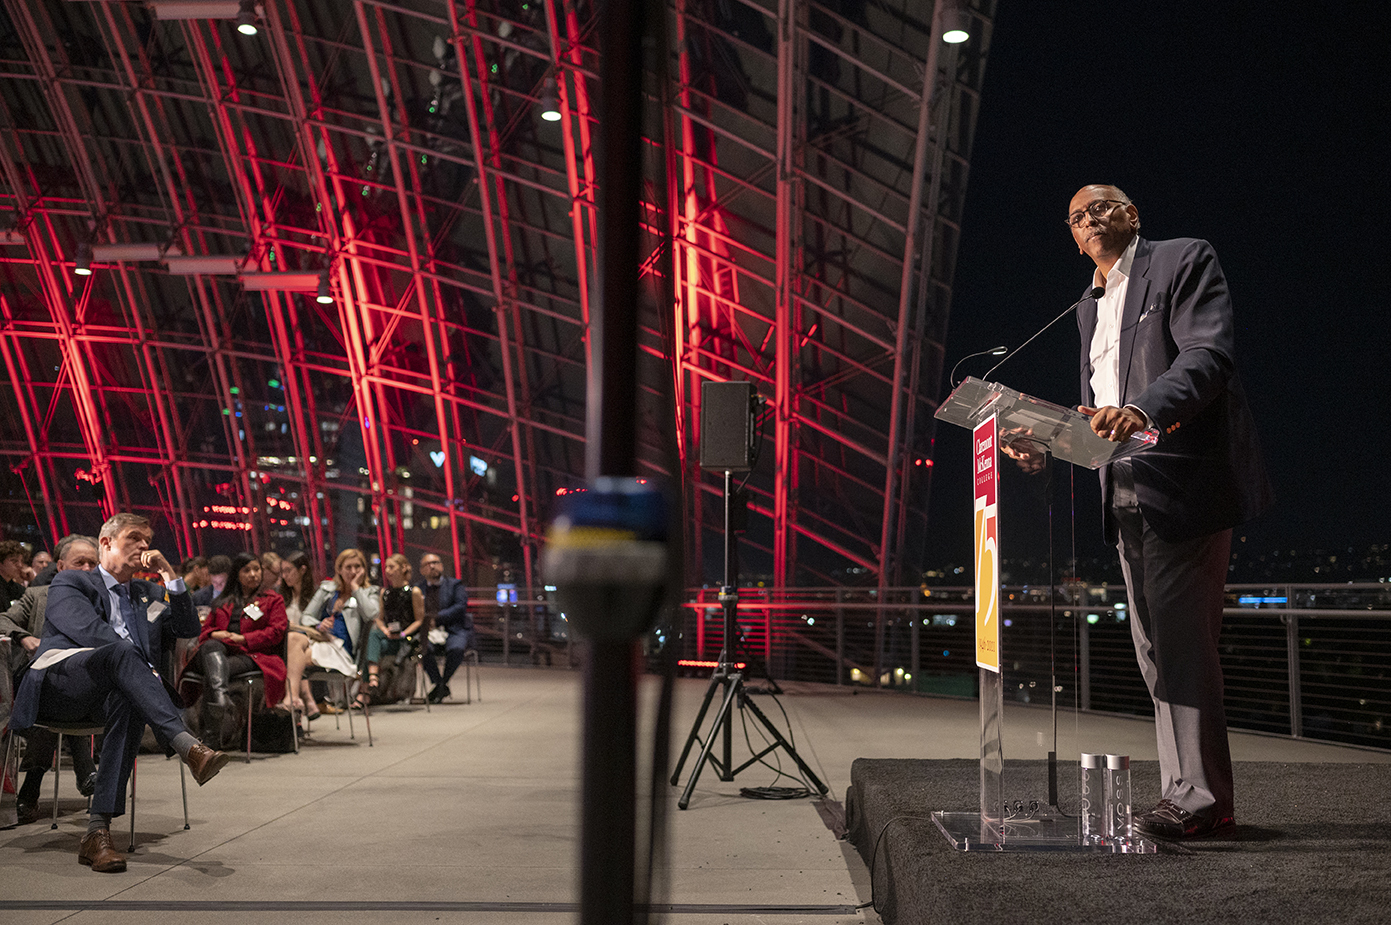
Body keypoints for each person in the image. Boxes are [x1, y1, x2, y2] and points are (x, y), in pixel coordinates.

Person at [1065, 184, 1272, 839]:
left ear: (1132, 215)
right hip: (1122, 486)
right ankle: (1181, 790)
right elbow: (1097, 405)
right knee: (1154, 650)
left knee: (1181, 645)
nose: (1090, 217)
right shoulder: (1084, 309)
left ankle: (1200, 797)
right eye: (1076, 215)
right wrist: (1044, 442)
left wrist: (1145, 410)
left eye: (1103, 205)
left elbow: (1207, 355)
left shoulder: (1181, 260)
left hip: (1183, 481)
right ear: (1072, 239)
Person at [9, 513, 230, 872]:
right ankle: (186, 744)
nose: (144, 546)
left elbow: (189, 628)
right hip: (63, 686)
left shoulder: (150, 594)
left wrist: (171, 577)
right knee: (122, 656)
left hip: (117, 693)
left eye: (147, 539)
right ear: (107, 542)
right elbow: (90, 634)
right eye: (134, 538)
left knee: (127, 695)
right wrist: (140, 670)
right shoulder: (71, 581)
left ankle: (97, 832)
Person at [0, 534, 100, 824]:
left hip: (84, 683)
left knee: (63, 693)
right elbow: (3, 619)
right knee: (51, 689)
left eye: (92, 564)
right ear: (60, 565)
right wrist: (25, 636)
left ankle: (31, 789)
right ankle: (85, 772)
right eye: (78, 562)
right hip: (36, 677)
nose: (86, 569)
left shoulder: (103, 599)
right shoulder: (37, 595)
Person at [177, 552, 288, 748]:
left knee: (215, 670)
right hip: (221, 651)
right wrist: (215, 634)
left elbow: (276, 632)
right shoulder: (223, 600)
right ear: (237, 574)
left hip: (254, 655)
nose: (253, 574)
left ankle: (212, 735)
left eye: (256, 569)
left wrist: (244, 638)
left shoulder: (273, 599)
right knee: (211, 647)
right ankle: (220, 703)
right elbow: (205, 630)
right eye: (247, 570)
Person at [285, 548, 379, 714]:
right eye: (348, 567)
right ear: (339, 569)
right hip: (321, 640)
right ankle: (300, 701)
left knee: (290, 660)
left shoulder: (369, 592)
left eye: (357, 567)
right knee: (292, 639)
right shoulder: (327, 589)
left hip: (343, 651)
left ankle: (298, 701)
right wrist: (319, 625)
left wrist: (355, 587)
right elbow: (306, 617)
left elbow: (371, 614)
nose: (353, 571)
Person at [364, 554, 425, 698]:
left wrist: (403, 634)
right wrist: (385, 630)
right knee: (371, 640)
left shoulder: (414, 592)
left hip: (407, 639)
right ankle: (371, 682)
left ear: (403, 568)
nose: (387, 570)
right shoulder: (385, 593)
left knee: (372, 641)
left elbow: (419, 620)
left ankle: (367, 688)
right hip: (390, 636)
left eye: (391, 567)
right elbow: (379, 619)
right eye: (386, 567)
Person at [416, 553, 472, 704]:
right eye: (428, 564)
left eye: (435, 562)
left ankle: (442, 684)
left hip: (454, 629)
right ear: (421, 570)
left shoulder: (455, 585)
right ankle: (439, 684)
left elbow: (460, 606)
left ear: (441, 565)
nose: (432, 566)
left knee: (457, 649)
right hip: (429, 632)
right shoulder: (417, 589)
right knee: (421, 648)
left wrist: (436, 618)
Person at [276, 551, 325, 716]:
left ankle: (296, 698)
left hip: (312, 641)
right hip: (287, 643)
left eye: (289, 570)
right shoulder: (280, 596)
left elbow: (321, 627)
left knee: (295, 649)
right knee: (295, 651)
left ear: (302, 570)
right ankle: (306, 698)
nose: (285, 576)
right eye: (283, 571)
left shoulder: (317, 596)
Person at [0, 540, 30, 610]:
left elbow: (32, 598)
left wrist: (32, 580)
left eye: (21, 561)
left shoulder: (11, 585)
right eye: (14, 561)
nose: (20, 565)